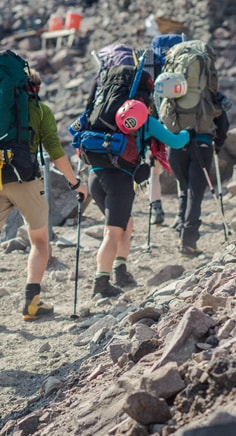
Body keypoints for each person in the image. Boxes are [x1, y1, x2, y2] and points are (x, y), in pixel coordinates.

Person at [0, 68, 88, 330]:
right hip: (25, 181)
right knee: (39, 241)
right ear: (35, 88)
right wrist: (75, 183)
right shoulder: (40, 110)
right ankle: (31, 303)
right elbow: (55, 150)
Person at [88, 100, 191, 297]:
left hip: (95, 175)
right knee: (113, 232)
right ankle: (101, 282)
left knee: (126, 224)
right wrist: (189, 132)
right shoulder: (145, 120)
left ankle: (120, 271)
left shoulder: (106, 114)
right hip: (118, 179)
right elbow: (176, 142)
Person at [169, 107, 229, 256]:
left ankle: (181, 232)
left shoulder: (172, 88)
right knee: (194, 193)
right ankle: (188, 243)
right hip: (202, 144)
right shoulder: (207, 88)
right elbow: (222, 120)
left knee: (184, 188)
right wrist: (219, 142)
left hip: (175, 145)